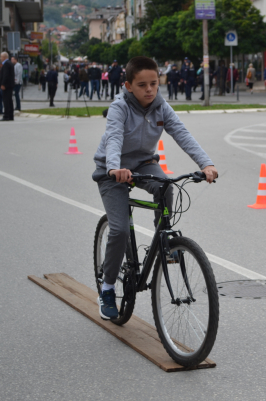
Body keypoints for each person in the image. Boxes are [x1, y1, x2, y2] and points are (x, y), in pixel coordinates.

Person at [91, 56, 218, 320]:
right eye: (142, 85)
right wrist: (114, 168)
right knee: (120, 229)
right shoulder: (119, 108)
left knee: (167, 187)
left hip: (143, 164)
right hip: (112, 171)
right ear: (128, 86)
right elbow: (114, 137)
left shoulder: (161, 107)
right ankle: (107, 287)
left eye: (154, 84)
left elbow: (183, 134)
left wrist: (206, 164)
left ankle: (166, 242)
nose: (149, 90)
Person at [0, 52, 15, 121]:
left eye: (1, 57)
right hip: (10, 85)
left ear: (4, 57)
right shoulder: (9, 63)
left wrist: (3, 84)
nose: (0, 58)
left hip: (6, 85)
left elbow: (6, 75)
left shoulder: (6, 64)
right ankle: (10, 115)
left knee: (6, 100)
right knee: (9, 100)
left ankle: (6, 115)